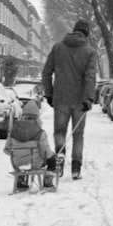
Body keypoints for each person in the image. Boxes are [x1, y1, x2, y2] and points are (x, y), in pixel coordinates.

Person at [41, 18, 98, 180]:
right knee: (78, 135)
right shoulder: (90, 52)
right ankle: (76, 169)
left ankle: (60, 156)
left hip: (60, 98)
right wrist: (88, 98)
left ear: (74, 30)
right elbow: (90, 76)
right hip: (80, 101)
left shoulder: (58, 48)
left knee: (59, 131)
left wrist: (49, 93)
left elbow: (46, 73)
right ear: (86, 34)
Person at [4, 99, 56, 192]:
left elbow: (6, 149)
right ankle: (48, 182)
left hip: (18, 164)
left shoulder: (13, 131)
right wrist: (51, 155)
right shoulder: (40, 133)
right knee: (52, 159)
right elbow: (45, 152)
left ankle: (21, 181)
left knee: (23, 160)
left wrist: (17, 153)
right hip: (35, 163)